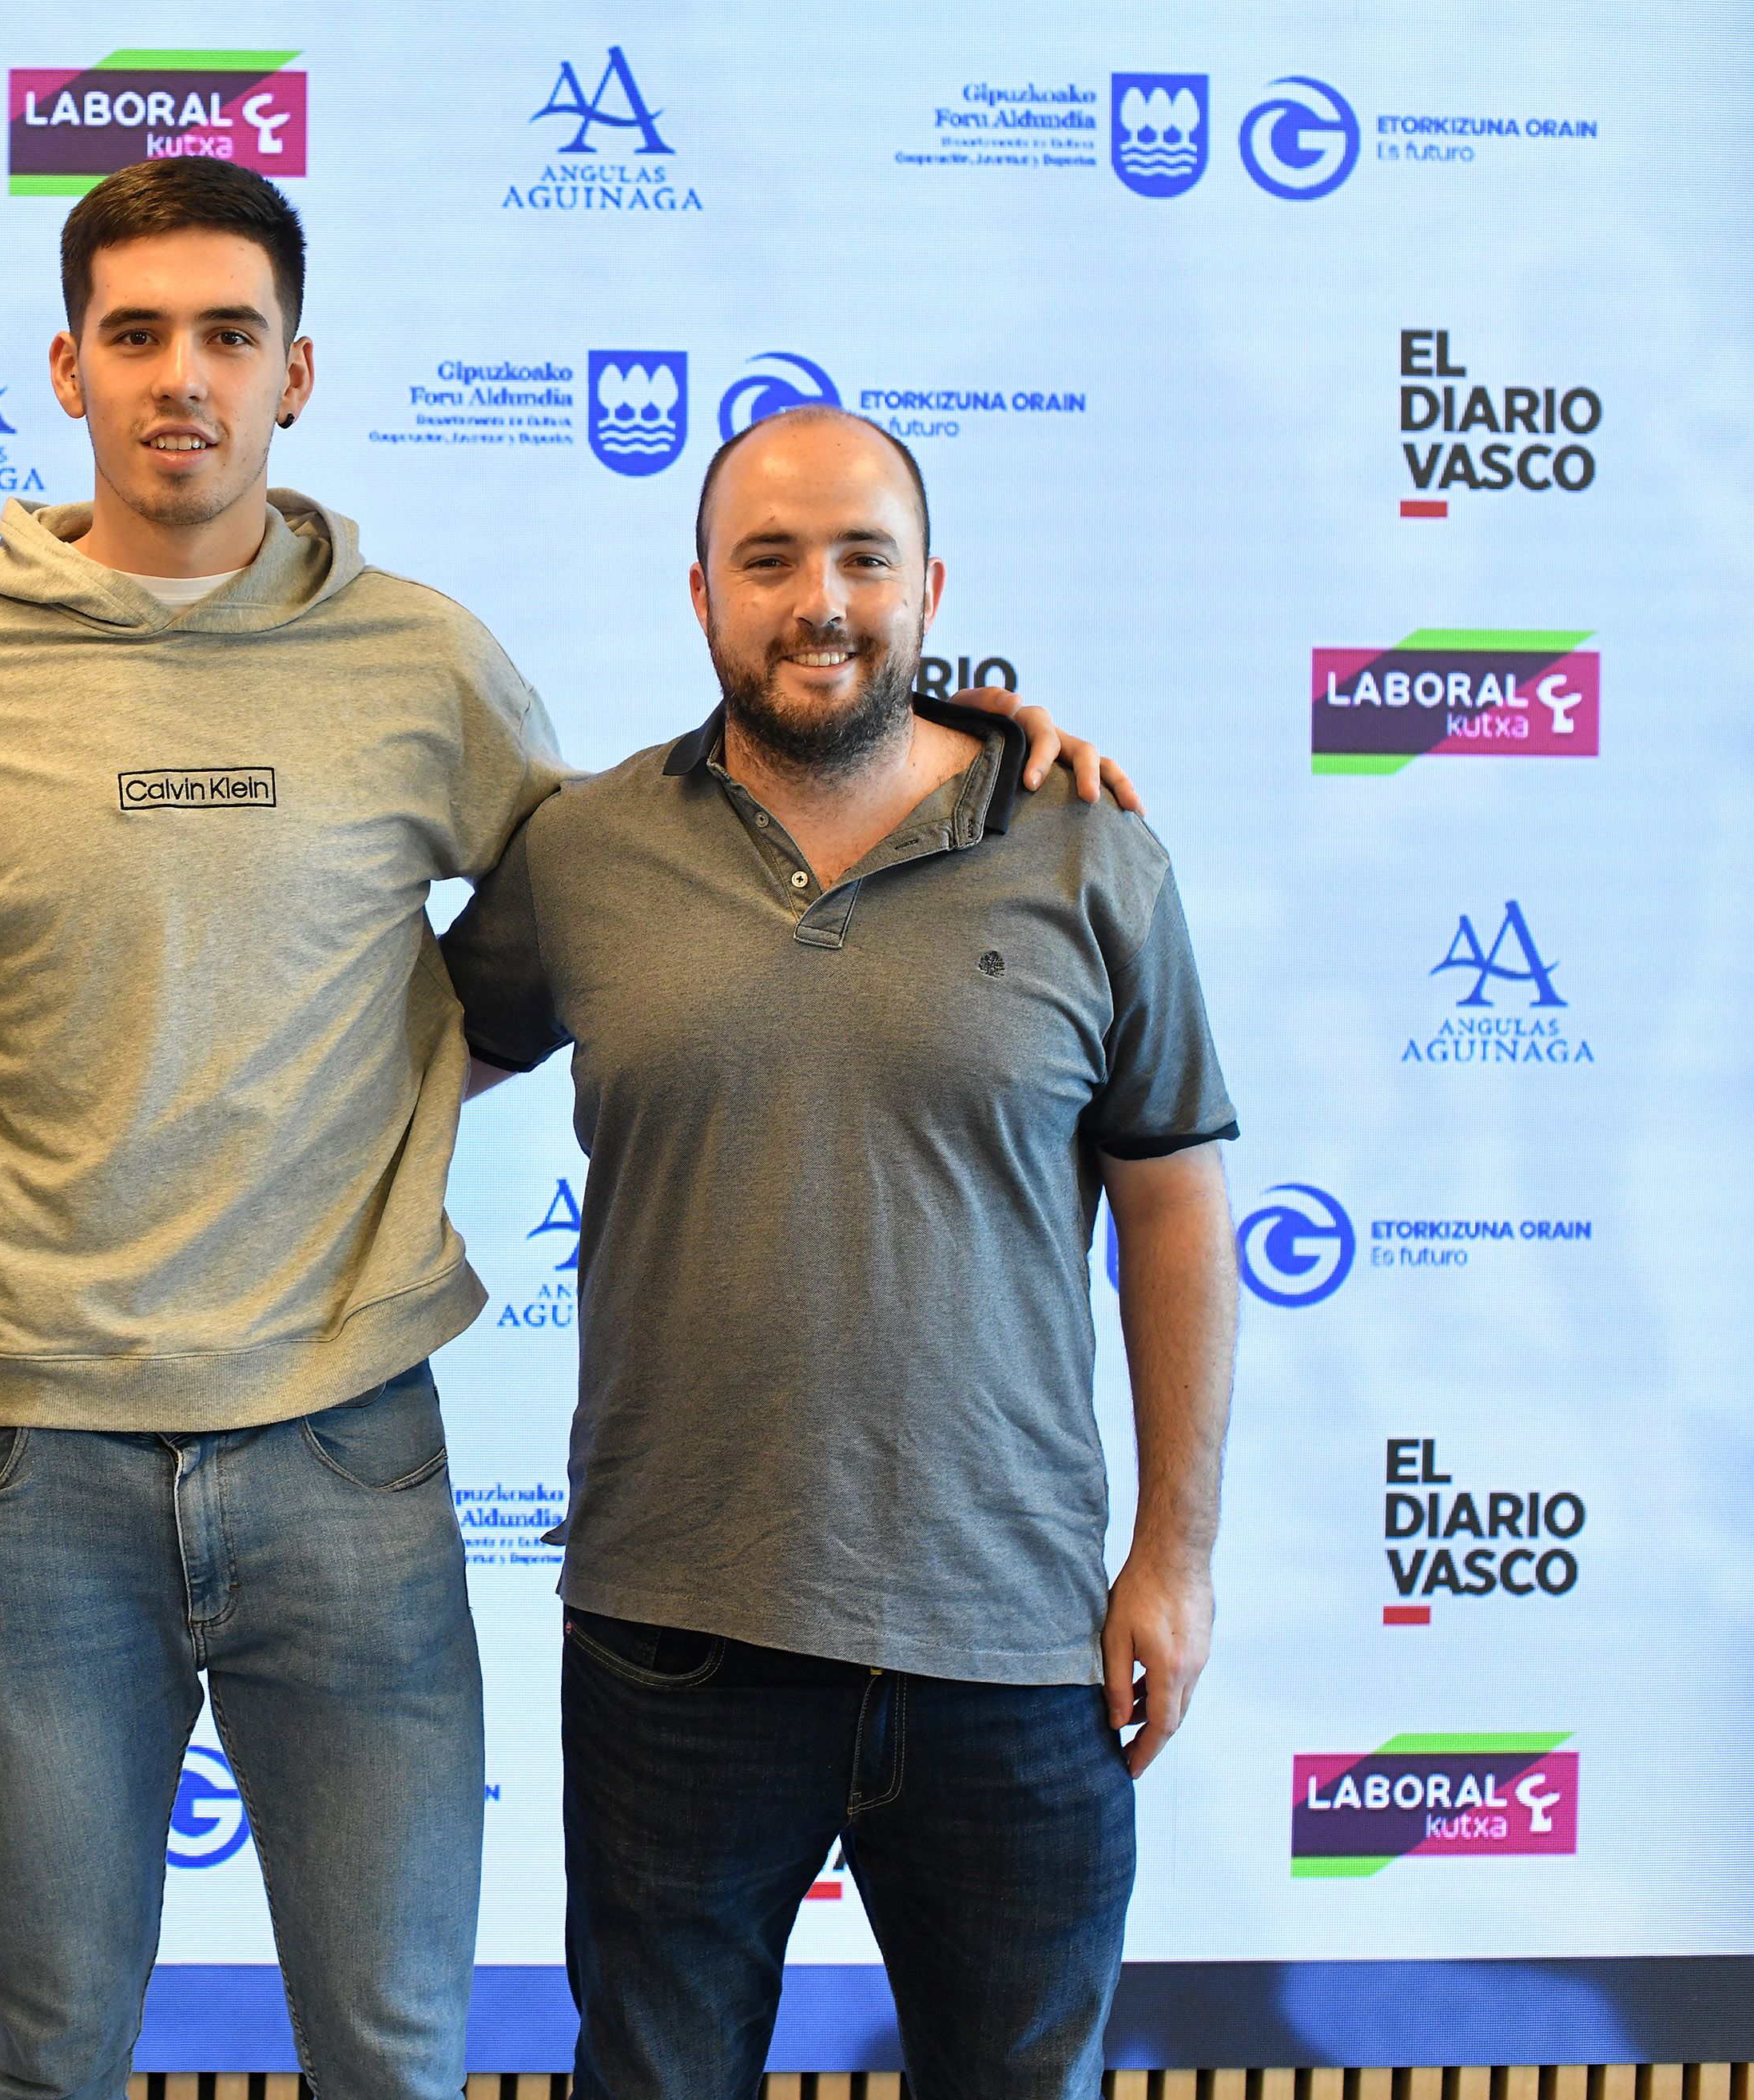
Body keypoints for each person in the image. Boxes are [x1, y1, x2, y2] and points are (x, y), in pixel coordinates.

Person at [0, 163, 1127, 2100]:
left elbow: (666, 852)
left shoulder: (419, 660)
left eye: (226, 335)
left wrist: (952, 734)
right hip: (37, 1475)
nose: (180, 376)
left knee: (395, 2050)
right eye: (136, 335)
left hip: (345, 1455)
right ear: (66, 369)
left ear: (298, 372)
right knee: (51, 2052)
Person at [442, 404, 1239, 2100]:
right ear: (699, 593)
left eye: (863, 557)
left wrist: (1170, 1552)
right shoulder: (582, 853)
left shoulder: (1087, 847)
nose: (820, 599)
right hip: (675, 1635)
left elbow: (1173, 1195)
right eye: (770, 559)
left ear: (929, 586)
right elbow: (389, 1061)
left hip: (1013, 1644)